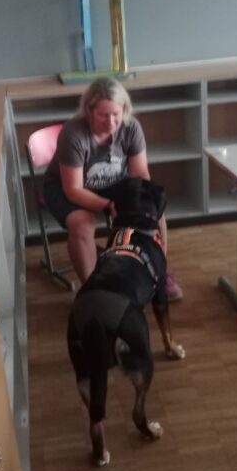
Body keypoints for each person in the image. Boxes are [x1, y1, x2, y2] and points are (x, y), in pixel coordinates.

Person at [43, 77, 185, 303]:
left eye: (116, 114)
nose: (110, 122)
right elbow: (73, 190)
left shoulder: (131, 127)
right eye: (103, 115)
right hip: (65, 186)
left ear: (124, 110)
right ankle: (94, 292)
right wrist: (109, 205)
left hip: (113, 183)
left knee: (155, 214)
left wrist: (144, 202)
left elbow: (140, 173)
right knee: (82, 223)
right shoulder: (73, 134)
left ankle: (159, 272)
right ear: (89, 112)